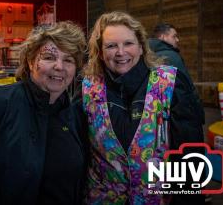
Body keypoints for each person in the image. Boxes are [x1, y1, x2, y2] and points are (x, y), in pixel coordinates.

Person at [82, 11, 204, 204]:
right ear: (101, 52)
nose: (120, 52)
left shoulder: (169, 83)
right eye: (111, 46)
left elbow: (190, 154)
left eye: (128, 43)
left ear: (141, 47)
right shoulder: (87, 89)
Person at [0, 21, 87, 205]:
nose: (60, 66)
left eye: (68, 60)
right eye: (49, 57)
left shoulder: (76, 116)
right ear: (31, 61)